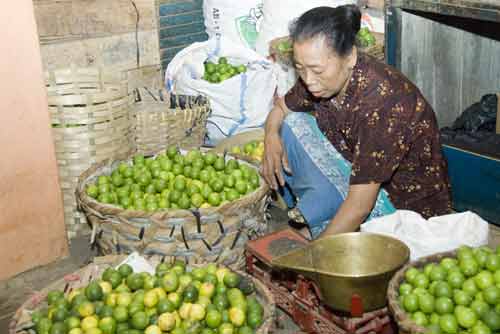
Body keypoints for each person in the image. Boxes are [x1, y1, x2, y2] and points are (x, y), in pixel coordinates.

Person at [262, 5, 452, 239]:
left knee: (346, 226)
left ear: (350, 56)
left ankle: (328, 219)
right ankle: (324, 208)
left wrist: (316, 254)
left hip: (401, 210)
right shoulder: (320, 79)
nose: (308, 80)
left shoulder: (384, 103)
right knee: (293, 124)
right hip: (359, 175)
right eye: (300, 68)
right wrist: (271, 136)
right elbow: (281, 107)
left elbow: (361, 205)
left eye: (316, 69)